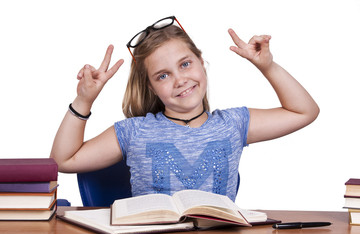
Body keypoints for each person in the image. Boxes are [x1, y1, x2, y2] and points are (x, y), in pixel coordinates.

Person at [50, 16, 319, 201]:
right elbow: (63, 160)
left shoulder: (232, 124)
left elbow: (304, 111)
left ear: (202, 62)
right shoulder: (135, 131)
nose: (180, 80)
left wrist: (266, 66)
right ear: (152, 86)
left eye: (185, 64)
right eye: (163, 76)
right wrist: (84, 100)